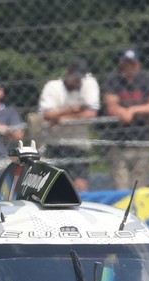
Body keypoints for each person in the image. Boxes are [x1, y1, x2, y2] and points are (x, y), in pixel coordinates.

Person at [102, 49, 149, 190]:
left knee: (139, 186)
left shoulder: (144, 79)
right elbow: (111, 107)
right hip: (118, 141)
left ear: (138, 65)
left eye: (132, 64)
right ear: (120, 65)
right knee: (121, 186)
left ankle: (136, 205)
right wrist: (123, 112)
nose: (129, 68)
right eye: (125, 64)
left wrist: (132, 110)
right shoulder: (113, 80)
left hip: (141, 139)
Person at [38, 58, 100, 191]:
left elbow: (91, 114)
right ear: (68, 73)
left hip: (78, 143)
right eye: (75, 76)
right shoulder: (53, 87)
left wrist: (60, 119)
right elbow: (47, 115)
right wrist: (70, 110)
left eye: (80, 77)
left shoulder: (89, 83)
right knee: (55, 186)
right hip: (55, 143)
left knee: (81, 186)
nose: (78, 80)